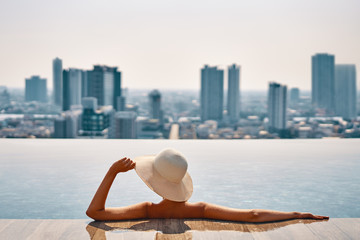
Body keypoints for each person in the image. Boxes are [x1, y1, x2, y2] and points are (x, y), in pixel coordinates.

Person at [86, 148, 329, 222]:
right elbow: (253, 215)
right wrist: (297, 214)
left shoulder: (148, 210)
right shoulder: (201, 210)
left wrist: (113, 172)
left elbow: (94, 213)